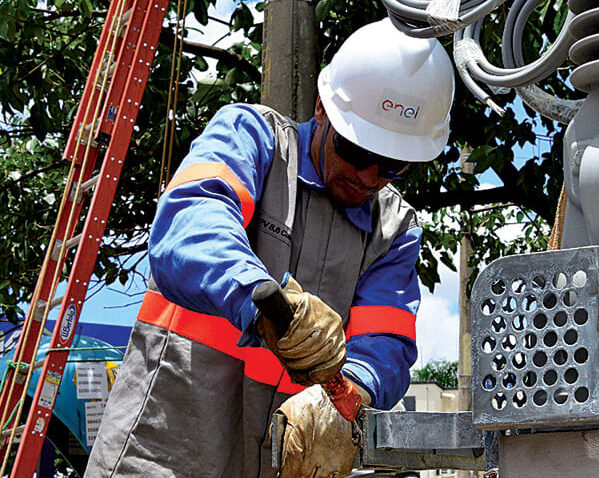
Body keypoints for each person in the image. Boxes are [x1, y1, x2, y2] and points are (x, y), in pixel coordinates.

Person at [85, 18, 455, 478]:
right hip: (166, 453)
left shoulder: (394, 230)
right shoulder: (253, 139)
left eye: (391, 165)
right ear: (322, 110)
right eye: (357, 152)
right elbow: (189, 225)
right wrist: (263, 300)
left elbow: (385, 343)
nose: (368, 177)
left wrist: (350, 394)